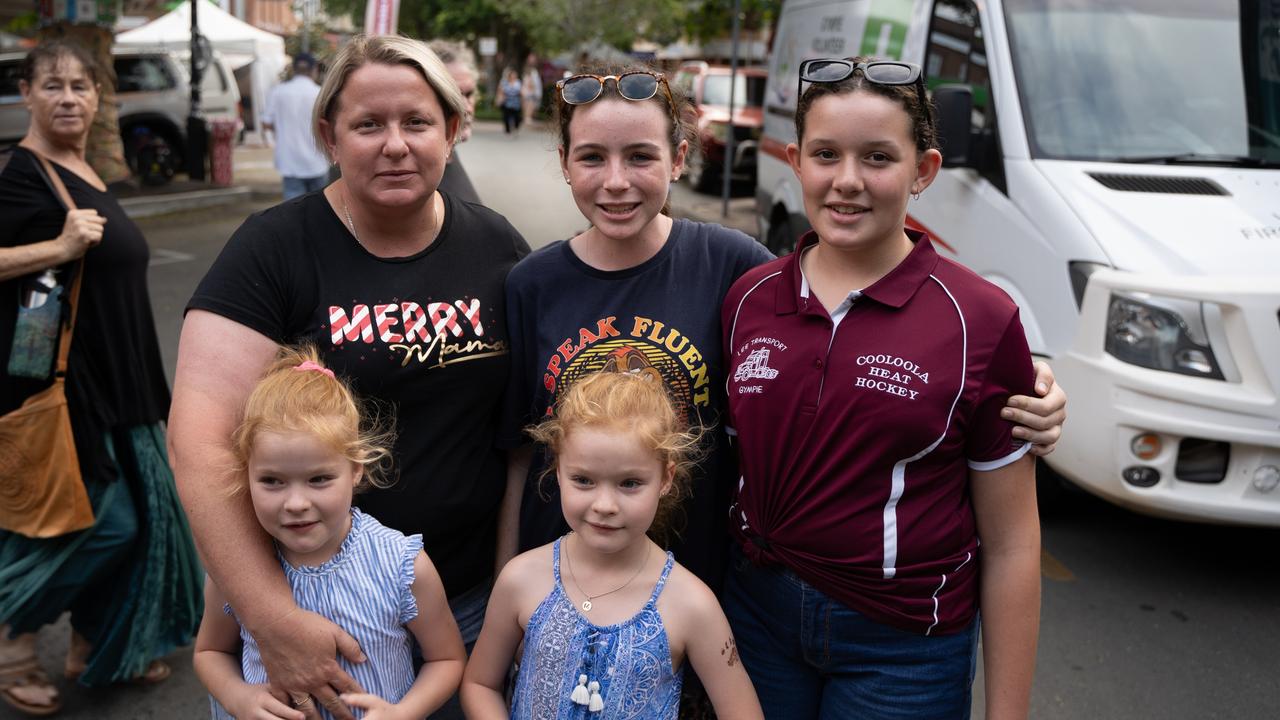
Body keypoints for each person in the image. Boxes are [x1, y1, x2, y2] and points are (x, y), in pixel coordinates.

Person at [498, 63, 1065, 590]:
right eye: (592, 157)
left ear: (678, 159)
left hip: (699, 583)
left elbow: (837, 331)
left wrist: (1028, 388)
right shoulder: (532, 283)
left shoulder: (733, 266)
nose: (616, 181)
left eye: (641, 157)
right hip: (562, 582)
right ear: (565, 161)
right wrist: (510, 590)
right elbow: (520, 454)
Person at [170, 35, 529, 720]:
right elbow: (199, 443)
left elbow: (518, 439)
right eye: (368, 124)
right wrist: (270, 617)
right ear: (329, 135)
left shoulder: (497, 245)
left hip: (468, 608)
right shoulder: (273, 248)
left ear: (451, 130)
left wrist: (515, 589)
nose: (395, 144)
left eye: (417, 122)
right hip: (316, 618)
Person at [720, 57, 1042, 719]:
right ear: (794, 160)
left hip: (904, 649)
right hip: (755, 620)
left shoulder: (980, 318)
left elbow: (1011, 544)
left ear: (922, 170)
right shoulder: (748, 298)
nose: (847, 182)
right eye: (826, 154)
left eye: (877, 158)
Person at [0, 40, 202, 716]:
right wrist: (56, 248)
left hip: (124, 380)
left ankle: (96, 643)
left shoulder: (78, 166)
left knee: (144, 522)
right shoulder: (21, 174)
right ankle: (11, 641)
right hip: (67, 387)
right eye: (52, 85)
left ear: (96, 98)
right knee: (102, 524)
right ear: (25, 92)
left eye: (80, 87)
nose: (67, 98)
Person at [463, 371, 765, 719]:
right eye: (583, 480)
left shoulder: (691, 604)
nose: (605, 504)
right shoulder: (522, 578)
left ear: (666, 478)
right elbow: (480, 684)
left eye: (630, 483)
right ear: (558, 469)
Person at [194, 346, 465, 720]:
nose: (296, 503)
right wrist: (238, 697)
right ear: (247, 474)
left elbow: (447, 658)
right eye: (272, 481)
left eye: (319, 479)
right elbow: (211, 652)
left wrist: (403, 713)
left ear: (356, 469)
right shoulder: (239, 568)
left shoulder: (401, 565)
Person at [262, 53, 330, 201]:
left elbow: (266, 122)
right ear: (314, 70)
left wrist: (281, 129)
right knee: (320, 208)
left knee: (294, 212)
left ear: (293, 69)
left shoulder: (278, 92)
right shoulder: (320, 94)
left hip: (290, 160)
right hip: (317, 160)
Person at [427, 39, 482, 205]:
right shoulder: (414, 177)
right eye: (454, 96)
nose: (467, 108)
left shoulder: (447, 154)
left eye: (469, 94)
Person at [499, 69, 523, 136]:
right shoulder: (505, 82)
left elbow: (521, 92)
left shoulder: (518, 82)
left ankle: (516, 128)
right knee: (506, 116)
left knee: (517, 116)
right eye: (512, 75)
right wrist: (500, 99)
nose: (513, 76)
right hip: (507, 101)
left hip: (516, 101)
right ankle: (507, 130)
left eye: (514, 75)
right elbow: (501, 91)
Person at [521, 56, 542, 127]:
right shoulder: (530, 74)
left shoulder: (532, 72)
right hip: (529, 93)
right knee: (529, 106)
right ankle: (527, 119)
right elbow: (531, 84)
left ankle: (527, 119)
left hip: (528, 93)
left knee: (528, 106)